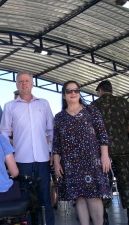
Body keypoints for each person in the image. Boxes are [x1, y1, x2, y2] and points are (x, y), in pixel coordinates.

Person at [52, 80, 111, 225]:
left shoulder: (92, 111)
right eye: (69, 91)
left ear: (79, 93)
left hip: (92, 161)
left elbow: (103, 135)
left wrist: (105, 156)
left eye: (76, 90)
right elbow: (56, 142)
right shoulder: (59, 117)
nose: (73, 93)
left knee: (94, 197)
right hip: (71, 163)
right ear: (64, 95)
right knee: (79, 197)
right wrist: (57, 161)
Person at [0, 72, 55, 225]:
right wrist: (9, 155)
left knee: (45, 197)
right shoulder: (9, 106)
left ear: (32, 84)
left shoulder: (43, 103)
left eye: (27, 81)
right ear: (17, 85)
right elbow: (4, 132)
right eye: (20, 81)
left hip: (43, 159)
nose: (24, 83)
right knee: (24, 200)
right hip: (21, 160)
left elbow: (51, 130)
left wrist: (51, 151)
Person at [91, 80, 129, 224]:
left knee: (103, 183)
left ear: (100, 90)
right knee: (126, 182)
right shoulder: (123, 102)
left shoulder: (94, 106)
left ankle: (104, 218)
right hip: (124, 149)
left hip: (102, 152)